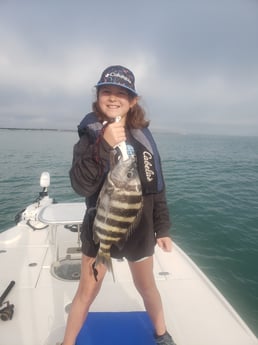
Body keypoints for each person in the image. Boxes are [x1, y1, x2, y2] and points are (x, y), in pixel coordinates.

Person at [62, 65, 176, 345]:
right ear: (98, 95)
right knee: (86, 291)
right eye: (107, 91)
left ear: (133, 100)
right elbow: (80, 185)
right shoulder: (90, 136)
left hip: (139, 227)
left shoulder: (143, 137)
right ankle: (67, 342)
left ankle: (161, 335)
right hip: (101, 225)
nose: (113, 98)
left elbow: (156, 187)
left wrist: (162, 228)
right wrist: (103, 145)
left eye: (121, 93)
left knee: (146, 286)